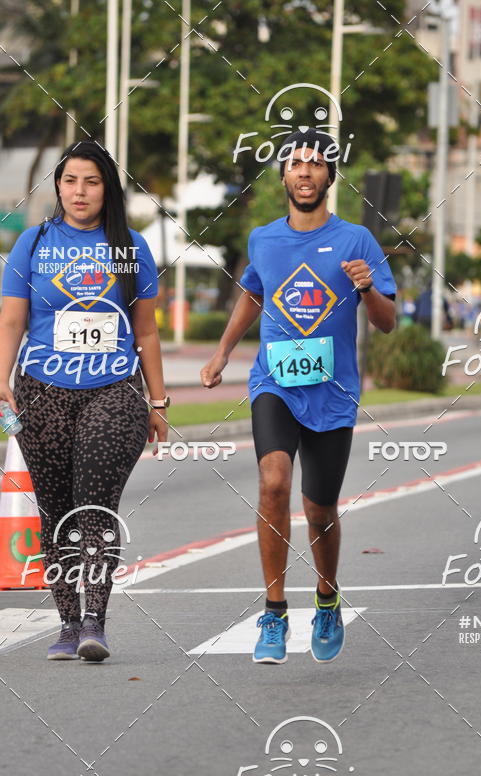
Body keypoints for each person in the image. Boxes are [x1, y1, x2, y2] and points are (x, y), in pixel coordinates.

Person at [201, 129, 396, 665]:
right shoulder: (264, 238)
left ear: (330, 177)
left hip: (332, 394)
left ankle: (328, 597)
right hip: (275, 383)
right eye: (296, 164)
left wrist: (367, 289)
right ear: (284, 175)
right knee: (273, 481)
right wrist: (222, 353)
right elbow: (253, 293)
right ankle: (274, 611)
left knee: (320, 508)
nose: (305, 172)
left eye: (315, 164)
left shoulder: (358, 240)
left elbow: (386, 322)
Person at [0, 141, 169, 662]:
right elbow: (11, 319)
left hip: (114, 390)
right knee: (54, 513)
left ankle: (95, 620)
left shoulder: (130, 246)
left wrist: (157, 401)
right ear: (58, 186)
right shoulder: (33, 244)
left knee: (94, 503)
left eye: (92, 182)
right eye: (71, 181)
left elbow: (145, 330)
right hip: (42, 390)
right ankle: (67, 624)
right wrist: (1, 380)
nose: (80, 192)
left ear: (107, 190)